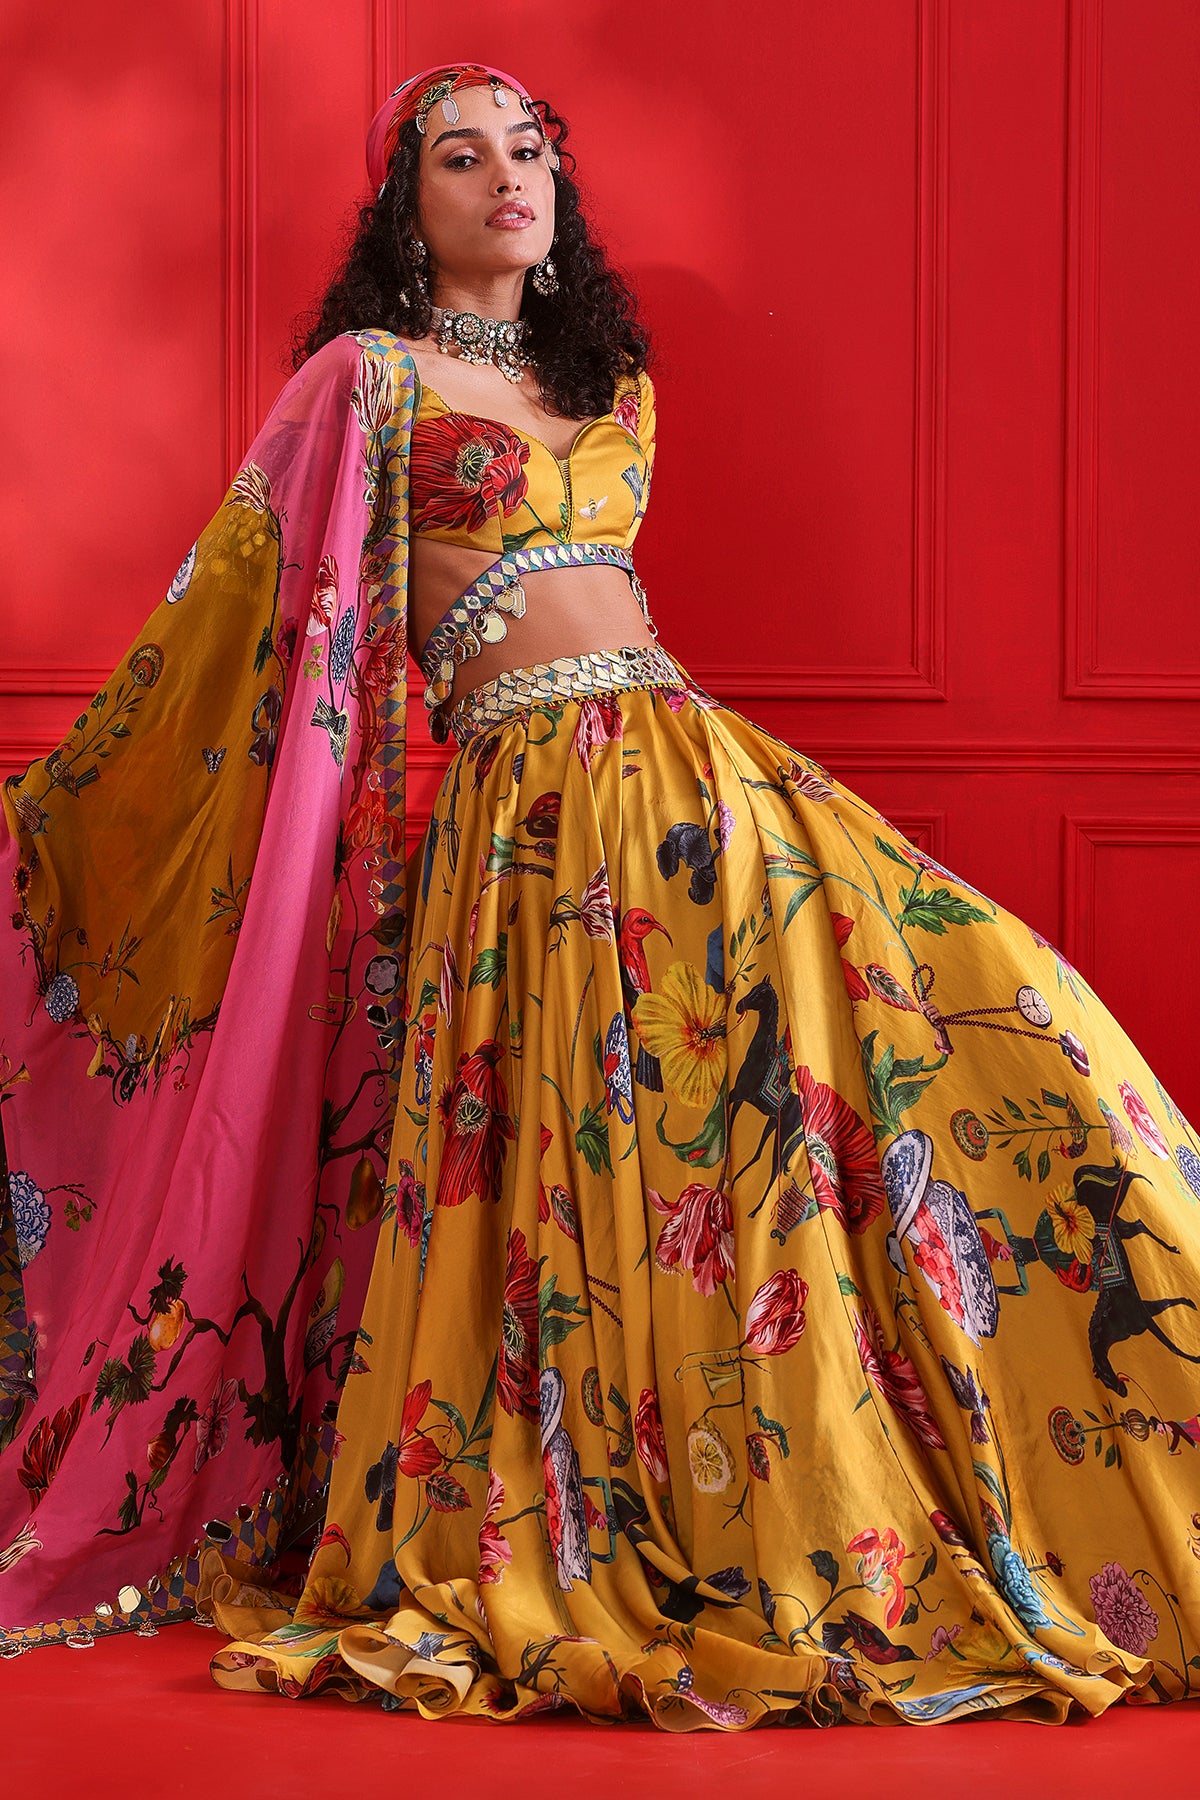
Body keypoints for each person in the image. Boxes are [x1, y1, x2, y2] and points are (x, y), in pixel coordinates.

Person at [3, 62, 1199, 1732]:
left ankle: (966, 1487)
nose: (509, 175)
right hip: (533, 826)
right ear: (404, 208)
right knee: (613, 1168)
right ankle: (658, 1509)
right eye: (460, 155)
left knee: (952, 1053)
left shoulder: (612, 385)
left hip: (701, 784)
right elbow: (239, 622)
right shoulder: (367, 381)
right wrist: (68, 812)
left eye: (531, 149)